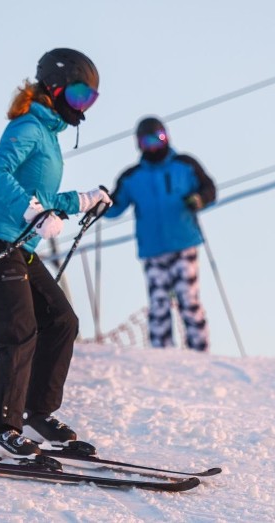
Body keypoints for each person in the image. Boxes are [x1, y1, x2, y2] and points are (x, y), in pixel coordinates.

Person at [0, 48, 112, 460]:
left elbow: (45, 198)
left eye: (90, 101)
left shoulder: (48, 136)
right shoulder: (28, 127)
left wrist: (84, 200)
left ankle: (34, 413)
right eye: (82, 96)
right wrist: (31, 210)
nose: (83, 108)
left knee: (61, 321)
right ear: (57, 88)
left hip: (20, 248)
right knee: (19, 332)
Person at [104, 116, 216, 351]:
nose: (154, 146)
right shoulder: (132, 177)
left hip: (183, 243)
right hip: (153, 250)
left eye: (159, 139)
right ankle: (161, 354)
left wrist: (199, 199)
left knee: (188, 298)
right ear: (139, 145)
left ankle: (200, 350)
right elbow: (115, 207)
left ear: (167, 137)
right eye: (148, 142)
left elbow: (209, 188)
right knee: (159, 303)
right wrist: (101, 203)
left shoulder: (184, 165)